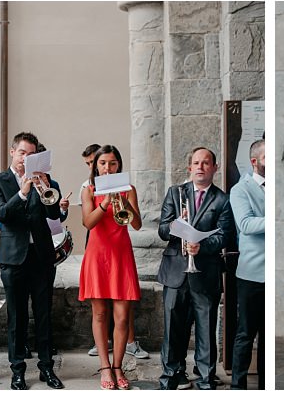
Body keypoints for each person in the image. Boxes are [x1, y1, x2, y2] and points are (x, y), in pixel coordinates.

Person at [0, 132, 68, 390]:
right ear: (13, 152)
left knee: (44, 314)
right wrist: (22, 193)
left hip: (42, 256)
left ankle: (47, 367)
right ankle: (18, 370)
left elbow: (54, 212)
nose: (26, 158)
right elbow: (1, 213)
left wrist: (46, 186)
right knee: (17, 316)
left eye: (32, 154)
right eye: (22, 153)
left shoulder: (45, 179)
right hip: (13, 258)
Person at [156, 147, 233, 390]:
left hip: (205, 272)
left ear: (214, 168)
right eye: (196, 163)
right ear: (189, 167)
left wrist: (203, 246)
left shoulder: (222, 200)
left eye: (206, 163)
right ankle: (169, 377)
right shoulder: (175, 193)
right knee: (172, 328)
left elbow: (224, 236)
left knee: (206, 329)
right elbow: (162, 229)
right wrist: (178, 226)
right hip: (176, 271)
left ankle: (205, 380)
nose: (200, 167)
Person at [79, 144, 143, 390]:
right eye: (103, 163)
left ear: (119, 165)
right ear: (96, 165)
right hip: (97, 256)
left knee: (122, 317)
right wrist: (105, 203)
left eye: (112, 163)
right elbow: (88, 223)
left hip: (121, 255)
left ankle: (118, 366)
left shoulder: (129, 190)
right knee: (100, 314)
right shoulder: (89, 190)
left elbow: (136, 224)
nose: (107, 167)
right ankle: (105, 368)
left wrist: (123, 203)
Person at [229, 139, 266, 390]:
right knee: (245, 334)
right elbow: (245, 224)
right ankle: (238, 387)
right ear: (255, 162)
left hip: (276, 273)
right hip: (252, 274)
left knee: (267, 337)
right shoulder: (240, 190)